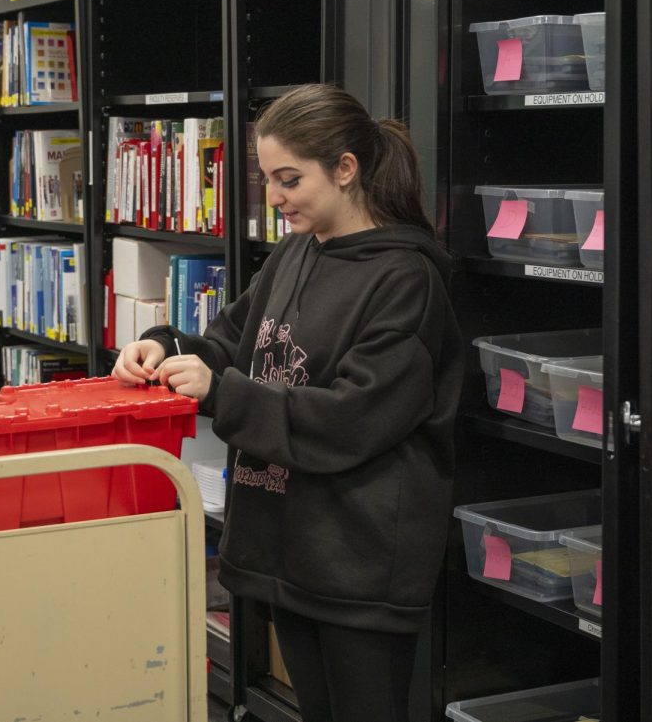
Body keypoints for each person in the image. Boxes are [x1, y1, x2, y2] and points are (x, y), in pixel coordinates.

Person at [112, 84, 462, 722]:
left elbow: (353, 418)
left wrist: (223, 394)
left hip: (359, 562)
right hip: (289, 547)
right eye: (268, 178)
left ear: (346, 170)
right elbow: (232, 340)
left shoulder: (407, 280)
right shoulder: (298, 250)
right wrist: (164, 346)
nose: (274, 198)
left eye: (289, 179)